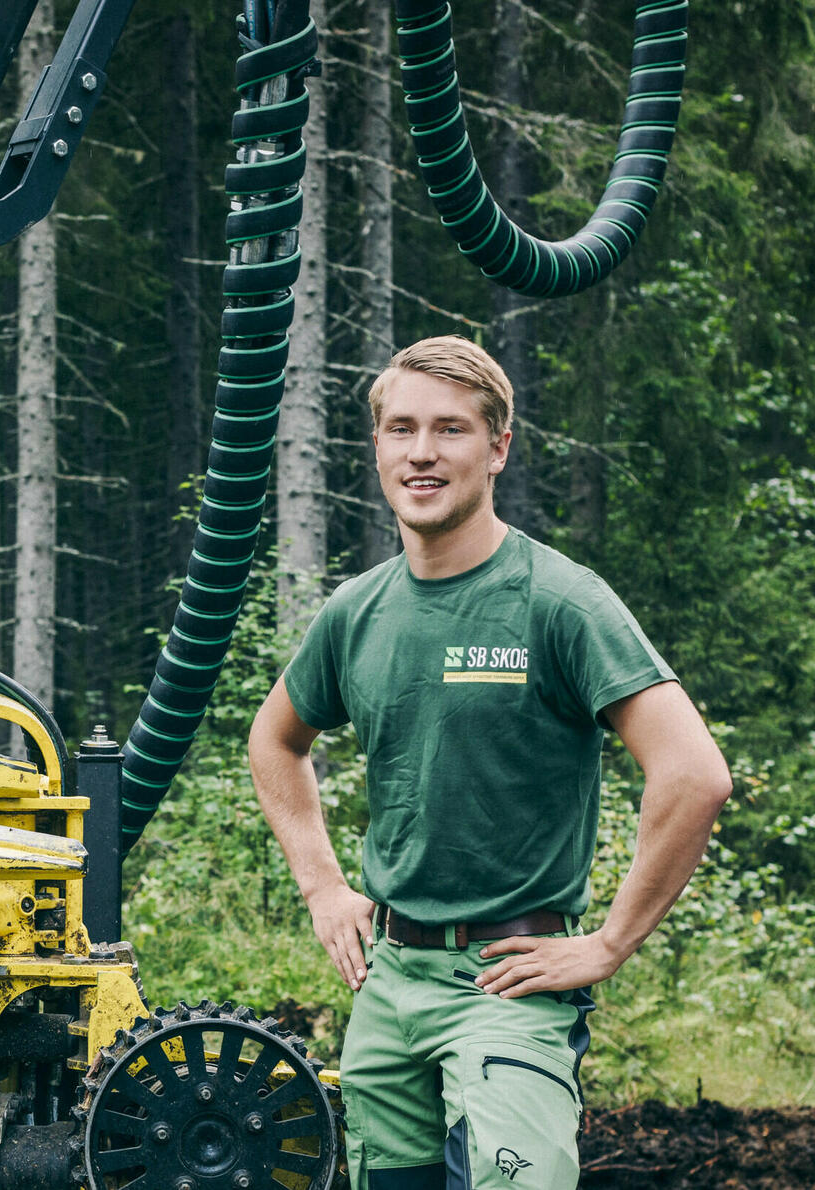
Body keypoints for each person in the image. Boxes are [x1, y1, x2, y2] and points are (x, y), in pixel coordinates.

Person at [246, 336, 731, 1190]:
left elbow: (694, 774)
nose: (422, 453)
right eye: (401, 429)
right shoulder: (357, 612)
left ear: (498, 447)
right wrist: (324, 887)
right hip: (388, 986)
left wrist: (610, 944)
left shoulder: (559, 601)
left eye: (451, 430)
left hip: (509, 987)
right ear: (378, 447)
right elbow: (275, 740)